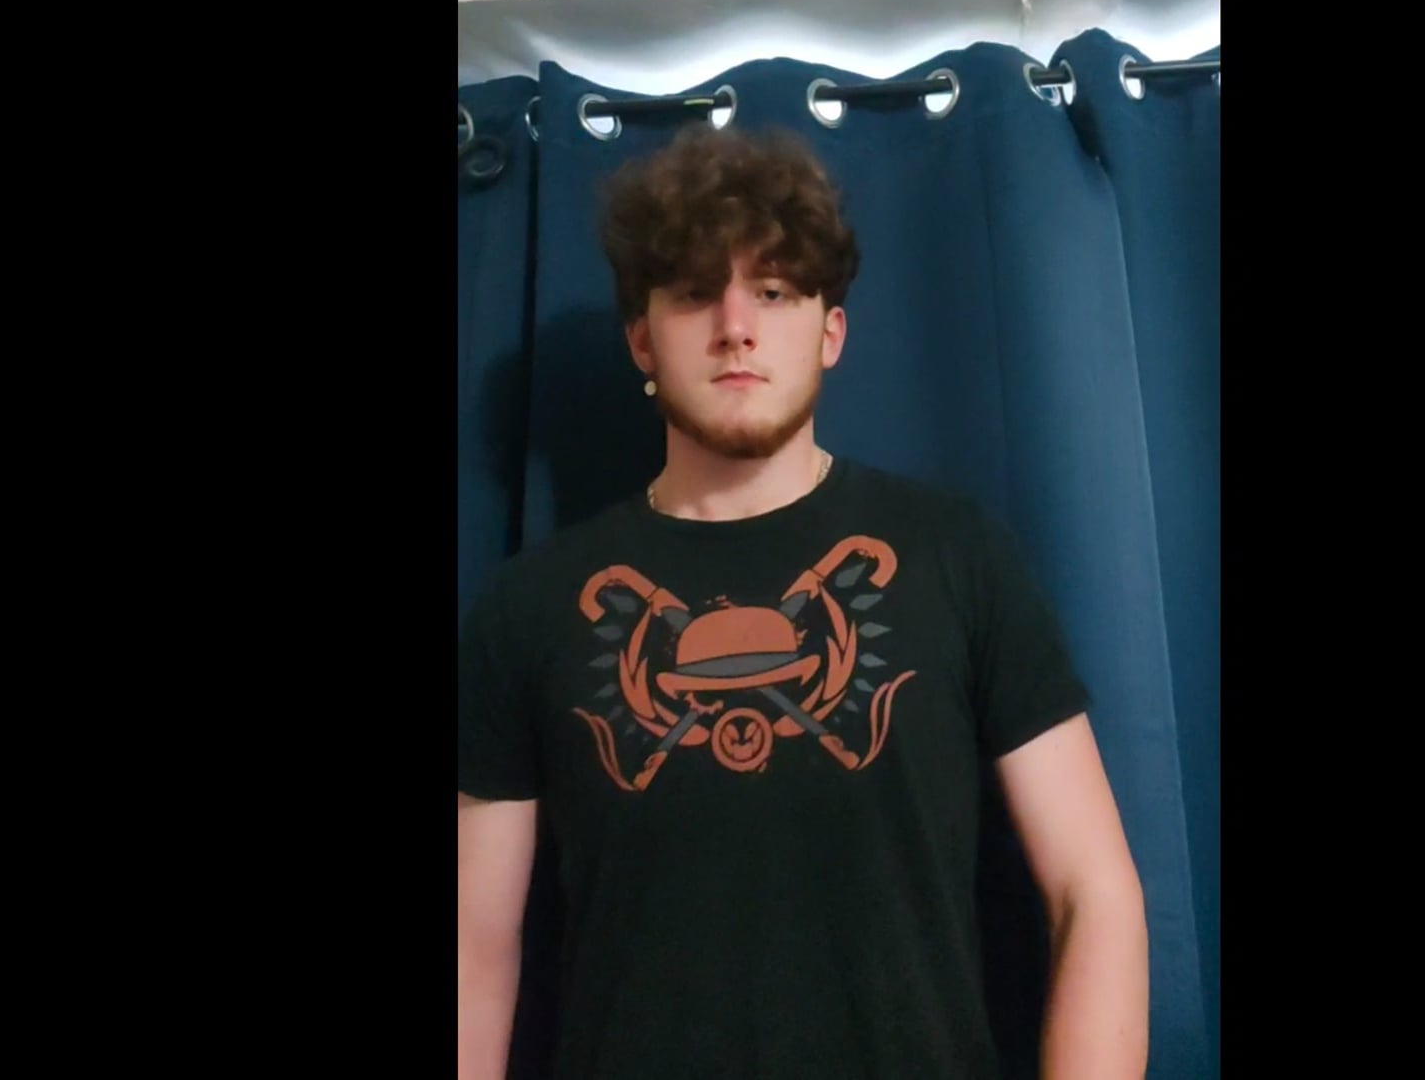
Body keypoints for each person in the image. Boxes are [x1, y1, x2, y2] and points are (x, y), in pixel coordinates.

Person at [456, 124, 1148, 1079]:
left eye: (775, 291)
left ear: (831, 332)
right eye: (694, 291)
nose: (735, 325)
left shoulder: (958, 556)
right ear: (641, 339)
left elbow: (1094, 894)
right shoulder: (527, 607)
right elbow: (474, 954)